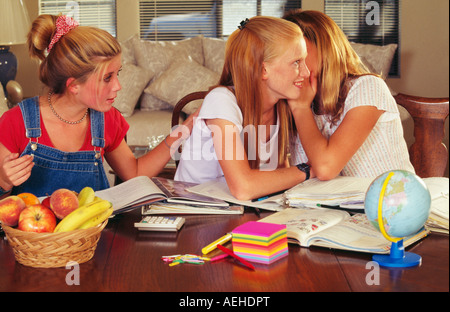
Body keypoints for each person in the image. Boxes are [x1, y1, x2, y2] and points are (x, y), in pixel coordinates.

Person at [0, 14, 195, 198]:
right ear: (74, 85)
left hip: (94, 233)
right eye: (107, 78)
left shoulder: (107, 119)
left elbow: (135, 174)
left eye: (117, 73)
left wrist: (183, 130)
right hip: (35, 234)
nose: (118, 86)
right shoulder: (16, 122)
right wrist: (4, 181)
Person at [174, 16, 313, 201]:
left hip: (239, 211)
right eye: (296, 62)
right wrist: (309, 170)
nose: (306, 72)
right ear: (263, 70)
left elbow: (278, 177)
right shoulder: (221, 100)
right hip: (196, 214)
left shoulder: (281, 106)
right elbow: (243, 187)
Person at [283, 10, 414, 180]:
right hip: (327, 204)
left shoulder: (368, 87)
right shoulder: (294, 98)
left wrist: (300, 108)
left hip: (388, 201)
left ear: (325, 48)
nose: (291, 61)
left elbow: (325, 168)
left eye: (298, 51)